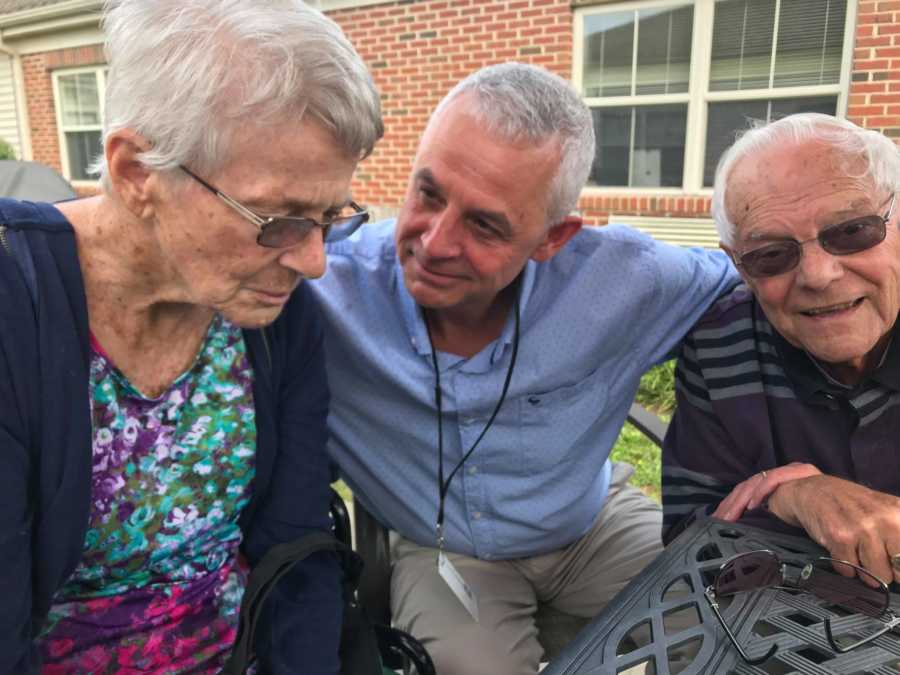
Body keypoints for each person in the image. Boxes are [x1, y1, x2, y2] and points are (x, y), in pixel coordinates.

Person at [310, 62, 737, 674]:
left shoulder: (625, 280)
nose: (434, 243)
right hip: (443, 552)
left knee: (736, 610)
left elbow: (772, 282)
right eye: (428, 194)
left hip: (593, 525)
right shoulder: (323, 289)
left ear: (552, 237)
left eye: (484, 224)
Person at [0, 0, 382, 672]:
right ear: (136, 172)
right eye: (278, 218)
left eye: (330, 216)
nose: (314, 260)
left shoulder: (274, 314)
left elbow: (295, 544)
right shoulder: (14, 308)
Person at [661, 113, 900, 586]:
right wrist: (790, 499)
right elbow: (690, 541)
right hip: (785, 621)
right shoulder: (717, 346)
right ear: (740, 267)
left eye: (852, 231)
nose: (818, 275)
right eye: (772, 254)